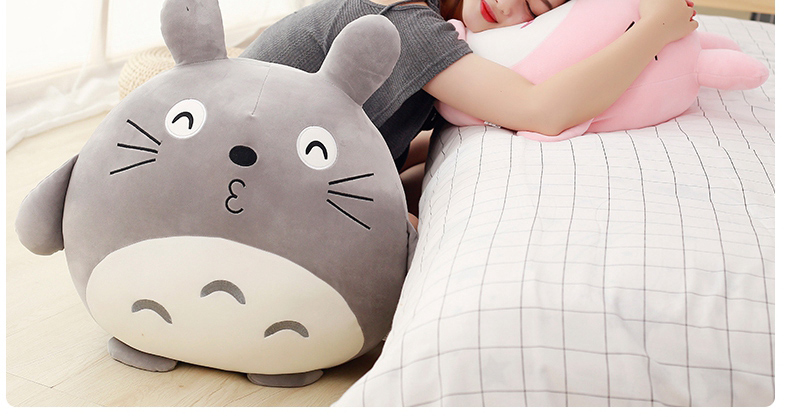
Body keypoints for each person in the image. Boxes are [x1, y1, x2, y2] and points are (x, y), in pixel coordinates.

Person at [242, 0, 698, 229]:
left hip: (267, 165)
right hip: (237, 176)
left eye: (533, 9)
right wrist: (655, 29)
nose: (504, 3)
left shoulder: (442, 27)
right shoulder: (405, 22)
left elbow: (373, 139)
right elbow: (541, 110)